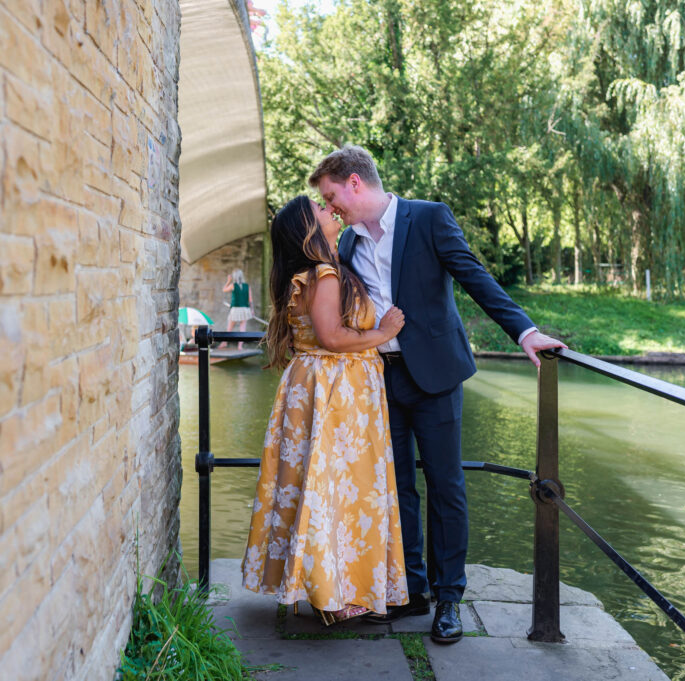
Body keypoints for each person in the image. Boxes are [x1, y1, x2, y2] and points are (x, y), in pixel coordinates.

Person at [309, 145, 566, 643]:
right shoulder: (344, 247)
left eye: (331, 194)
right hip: (379, 379)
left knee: (447, 487)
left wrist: (525, 332)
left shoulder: (429, 219)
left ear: (355, 183)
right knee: (397, 487)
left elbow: (475, 277)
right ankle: (411, 590)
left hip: (437, 377)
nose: (330, 205)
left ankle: (449, 598)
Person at [241, 196, 409, 626]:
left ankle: (319, 589)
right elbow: (332, 337)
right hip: (336, 389)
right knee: (333, 487)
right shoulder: (326, 273)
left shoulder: (310, 272)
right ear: (308, 227)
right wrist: (382, 332)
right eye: (318, 207)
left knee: (313, 485)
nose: (327, 209)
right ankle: (329, 596)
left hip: (313, 386)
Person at [220, 269, 253, 350]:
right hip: (245, 309)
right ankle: (240, 346)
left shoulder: (233, 285)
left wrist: (228, 281)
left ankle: (224, 342)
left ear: (235, 277)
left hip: (235, 309)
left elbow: (224, 289)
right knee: (242, 328)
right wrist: (252, 310)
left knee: (229, 328)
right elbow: (250, 299)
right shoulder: (247, 286)